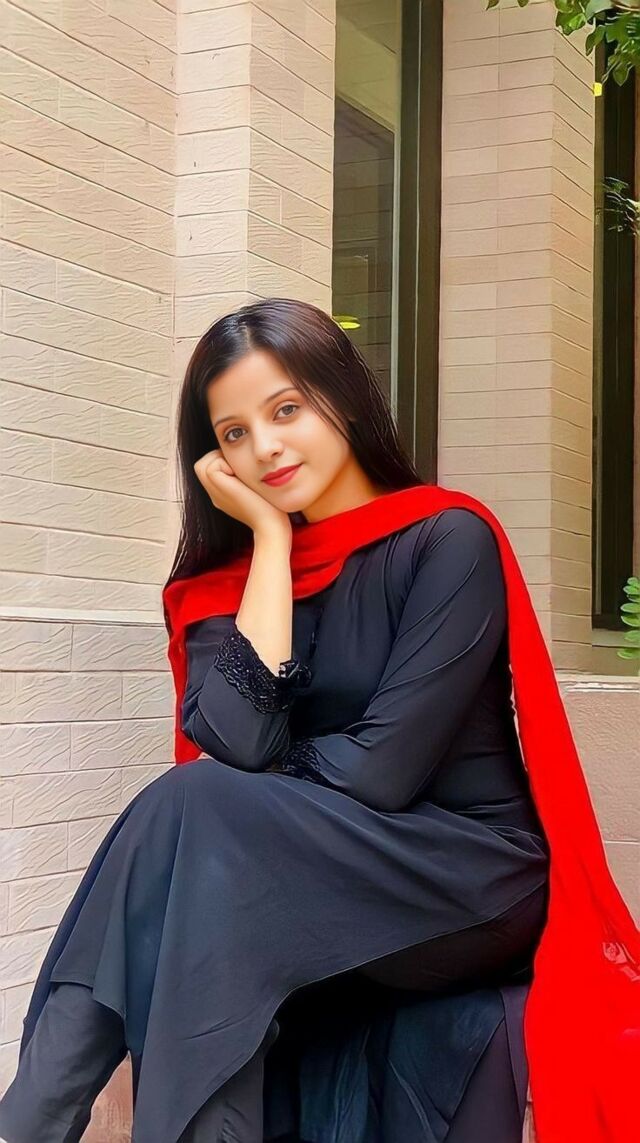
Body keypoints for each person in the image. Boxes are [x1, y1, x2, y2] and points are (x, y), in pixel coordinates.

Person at [0, 298, 636, 1143]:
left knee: (193, 808)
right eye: (234, 433)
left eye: (286, 409)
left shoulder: (446, 539)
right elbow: (240, 743)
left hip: (464, 875)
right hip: (309, 872)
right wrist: (270, 542)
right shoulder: (228, 588)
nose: (264, 447)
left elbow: (382, 772)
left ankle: (29, 1121)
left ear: (343, 397)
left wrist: (263, 774)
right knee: (201, 863)